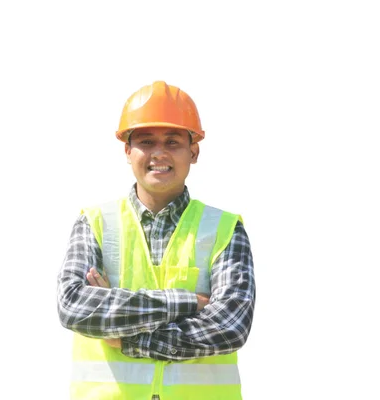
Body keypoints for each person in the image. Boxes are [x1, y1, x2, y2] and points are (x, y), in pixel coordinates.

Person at [57, 81, 256, 400]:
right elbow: (75, 307)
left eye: (173, 141)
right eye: (146, 141)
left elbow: (229, 327)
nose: (159, 153)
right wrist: (186, 302)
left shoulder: (225, 229)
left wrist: (127, 337)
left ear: (194, 151)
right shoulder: (94, 223)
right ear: (127, 150)